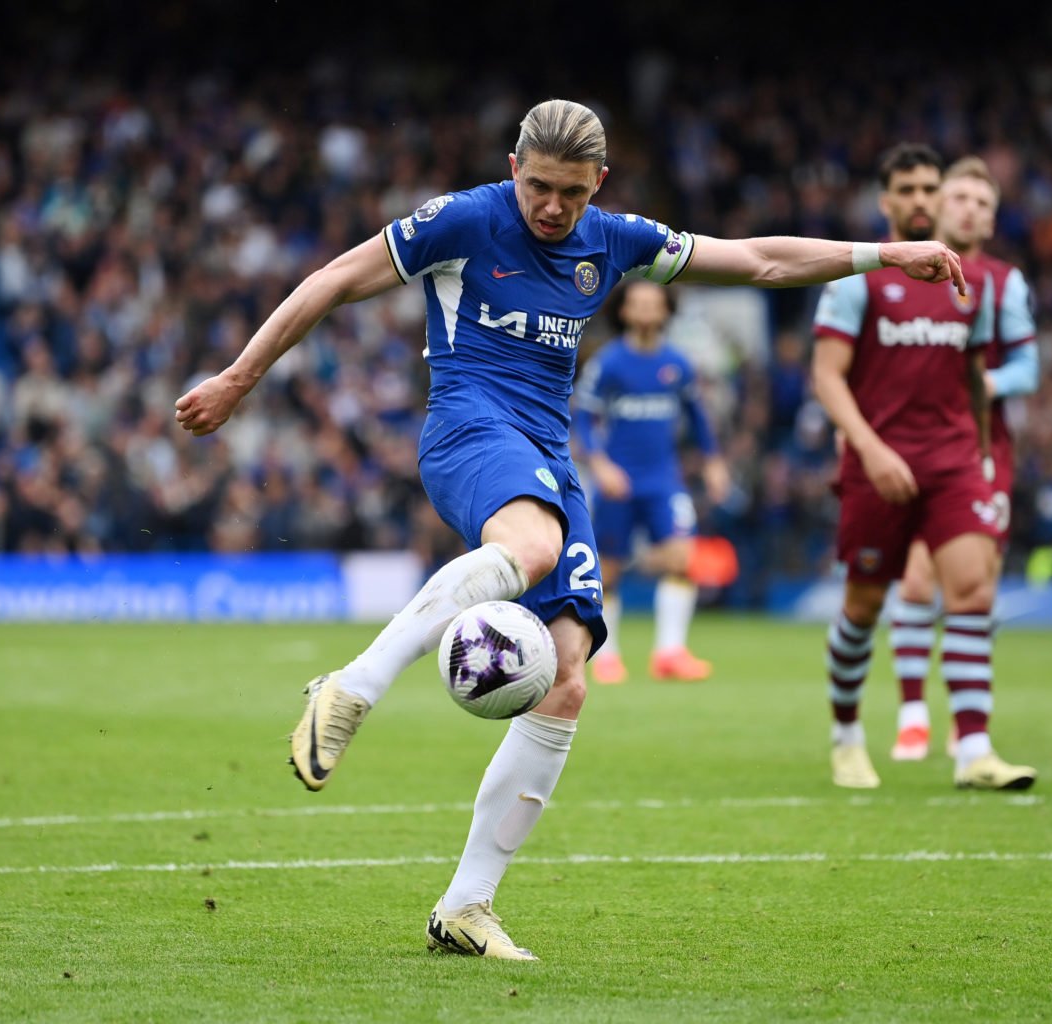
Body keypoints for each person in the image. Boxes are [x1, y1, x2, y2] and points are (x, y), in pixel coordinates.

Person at [174, 100, 964, 961]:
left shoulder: (615, 239)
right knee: (534, 548)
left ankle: (466, 906)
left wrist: (885, 255)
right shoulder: (466, 218)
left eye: (570, 194)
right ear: (514, 167)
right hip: (470, 428)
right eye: (539, 187)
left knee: (567, 679)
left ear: (600, 185)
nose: (552, 208)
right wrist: (238, 379)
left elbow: (763, 261)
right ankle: (352, 688)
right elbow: (332, 280)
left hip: (551, 458)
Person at [810, 142, 1035, 792]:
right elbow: (827, 379)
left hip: (953, 463)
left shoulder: (976, 284)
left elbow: (976, 378)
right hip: (876, 465)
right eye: (904, 190)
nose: (919, 201)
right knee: (862, 607)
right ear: (886, 202)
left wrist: (985, 462)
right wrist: (870, 449)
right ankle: (847, 735)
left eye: (928, 189)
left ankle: (975, 752)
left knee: (972, 593)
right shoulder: (861, 279)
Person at [885, 156, 1041, 763]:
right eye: (960, 197)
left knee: (974, 586)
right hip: (909, 443)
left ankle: (968, 721)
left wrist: (978, 388)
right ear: (937, 206)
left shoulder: (1004, 282)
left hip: (978, 447)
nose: (970, 208)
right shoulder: (902, 270)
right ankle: (913, 713)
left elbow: (1029, 367)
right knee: (918, 577)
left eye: (983, 201)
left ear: (993, 218)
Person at [572, 280, 729, 684]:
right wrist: (601, 464)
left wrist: (713, 461)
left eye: (653, 304)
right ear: (623, 310)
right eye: (637, 303)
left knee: (681, 558)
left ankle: (670, 653)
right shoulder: (608, 362)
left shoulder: (677, 363)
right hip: (618, 480)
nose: (645, 311)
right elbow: (584, 419)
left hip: (663, 478)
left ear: (665, 311)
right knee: (608, 571)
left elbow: (697, 417)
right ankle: (606, 656)